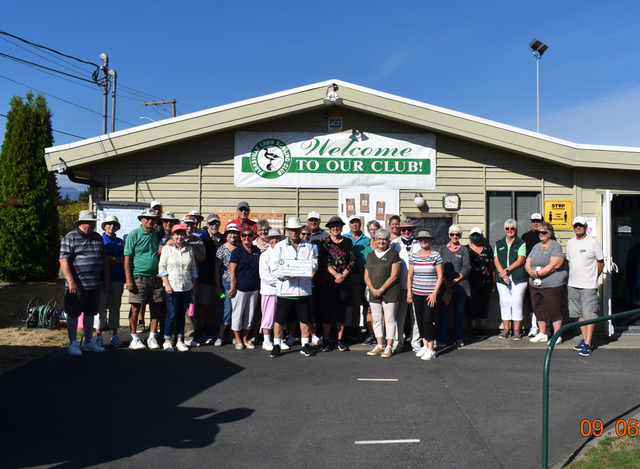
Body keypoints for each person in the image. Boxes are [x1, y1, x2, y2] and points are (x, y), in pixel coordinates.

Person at [59, 210, 109, 356]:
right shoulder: (70, 237)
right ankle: (73, 343)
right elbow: (63, 261)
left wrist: (105, 281)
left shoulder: (98, 238)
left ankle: (88, 342)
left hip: (94, 284)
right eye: (91, 222)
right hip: (76, 285)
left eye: (94, 222)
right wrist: (71, 282)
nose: (93, 225)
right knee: (73, 314)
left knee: (90, 314)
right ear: (81, 223)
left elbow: (103, 260)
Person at [269, 218, 318, 358]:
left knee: (305, 320)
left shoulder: (308, 246)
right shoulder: (279, 246)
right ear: (288, 231)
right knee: (280, 320)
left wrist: (303, 270)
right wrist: (287, 274)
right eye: (291, 230)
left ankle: (305, 345)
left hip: (303, 290)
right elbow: (275, 268)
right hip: (285, 291)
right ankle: (276, 345)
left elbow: (314, 264)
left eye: (296, 230)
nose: (294, 232)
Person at [125, 208, 164, 350]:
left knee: (156, 307)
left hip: (155, 277)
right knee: (135, 308)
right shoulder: (133, 234)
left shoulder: (155, 234)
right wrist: (128, 279)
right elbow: (127, 258)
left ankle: (152, 337)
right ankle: (134, 337)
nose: (150, 221)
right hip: (138, 276)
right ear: (141, 219)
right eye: (147, 218)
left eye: (152, 219)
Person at [566, 216, 604, 357]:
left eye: (580, 225)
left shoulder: (593, 242)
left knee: (589, 315)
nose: (578, 227)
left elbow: (600, 262)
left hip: (588, 286)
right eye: (575, 225)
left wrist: (594, 277)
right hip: (573, 284)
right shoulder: (570, 243)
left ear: (585, 226)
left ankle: (588, 343)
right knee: (579, 315)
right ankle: (584, 339)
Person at [317, 216, 355, 351]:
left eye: (338, 225)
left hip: (344, 283)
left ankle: (340, 339)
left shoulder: (348, 242)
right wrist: (335, 274)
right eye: (333, 226)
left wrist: (343, 275)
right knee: (326, 312)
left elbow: (352, 260)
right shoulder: (325, 242)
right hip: (328, 282)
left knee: (341, 312)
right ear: (329, 228)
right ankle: (326, 340)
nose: (335, 228)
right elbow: (323, 262)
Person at [525, 222, 568, 343]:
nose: (541, 234)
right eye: (539, 232)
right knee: (538, 309)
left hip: (552, 284)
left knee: (553, 309)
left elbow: (554, 264)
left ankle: (556, 335)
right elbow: (528, 262)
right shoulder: (536, 246)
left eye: (544, 232)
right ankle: (542, 333)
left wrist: (539, 274)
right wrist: (531, 272)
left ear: (550, 233)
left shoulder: (555, 246)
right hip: (535, 284)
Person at [158, 223, 198, 352]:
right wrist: (167, 284)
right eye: (177, 234)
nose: (179, 237)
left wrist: (193, 285)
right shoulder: (167, 249)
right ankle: (167, 340)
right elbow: (162, 268)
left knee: (182, 314)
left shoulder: (189, 250)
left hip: (186, 287)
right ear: (173, 236)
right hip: (172, 287)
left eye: (182, 234)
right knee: (172, 314)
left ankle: (180, 340)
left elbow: (193, 269)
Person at [364, 228, 401, 358]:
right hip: (373, 292)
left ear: (388, 241)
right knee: (376, 319)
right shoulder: (370, 256)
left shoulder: (393, 254)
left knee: (390, 320)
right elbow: (366, 276)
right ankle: (380, 345)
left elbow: (394, 276)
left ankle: (389, 347)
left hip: (390, 292)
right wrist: (373, 289)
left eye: (384, 239)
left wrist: (381, 289)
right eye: (379, 239)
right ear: (375, 240)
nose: (381, 241)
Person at [407, 230, 443, 361]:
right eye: (421, 239)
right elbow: (410, 276)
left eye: (426, 239)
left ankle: (431, 348)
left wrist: (434, 292)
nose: (424, 241)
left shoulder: (436, 255)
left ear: (430, 240)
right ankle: (424, 344)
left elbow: (440, 276)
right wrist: (409, 293)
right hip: (417, 293)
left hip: (430, 294)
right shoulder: (414, 256)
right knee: (420, 319)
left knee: (428, 319)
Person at [390, 220, 421, 352]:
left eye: (409, 230)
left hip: (417, 285)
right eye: (404, 230)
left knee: (416, 316)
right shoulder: (394, 244)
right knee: (399, 317)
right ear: (400, 230)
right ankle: (398, 342)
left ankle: (416, 343)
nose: (407, 232)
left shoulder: (419, 244)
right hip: (400, 285)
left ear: (413, 230)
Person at [494, 219, 528, 340]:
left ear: (515, 229)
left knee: (516, 301)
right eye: (507, 228)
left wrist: (507, 271)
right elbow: (496, 259)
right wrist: (503, 274)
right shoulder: (499, 243)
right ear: (504, 230)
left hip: (518, 277)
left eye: (512, 228)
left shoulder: (521, 243)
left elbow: (521, 260)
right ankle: (506, 329)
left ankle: (517, 331)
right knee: (504, 302)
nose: (509, 230)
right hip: (502, 278)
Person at [437, 224, 470, 348]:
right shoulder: (442, 249)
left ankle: (458, 338)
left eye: (457, 234)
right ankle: (441, 338)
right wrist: (446, 282)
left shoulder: (464, 250)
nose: (455, 236)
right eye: (452, 234)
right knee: (444, 313)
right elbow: (438, 265)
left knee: (459, 314)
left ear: (460, 236)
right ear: (449, 235)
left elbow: (467, 267)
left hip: (460, 287)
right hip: (445, 287)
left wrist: (454, 282)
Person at [94, 215, 125, 347]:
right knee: (100, 307)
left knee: (115, 307)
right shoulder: (100, 240)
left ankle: (114, 336)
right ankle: (99, 336)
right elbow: (101, 259)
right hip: (101, 279)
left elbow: (123, 259)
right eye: (109, 224)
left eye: (114, 224)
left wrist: (111, 259)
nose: (111, 226)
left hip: (117, 278)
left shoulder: (120, 241)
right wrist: (114, 259)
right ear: (104, 226)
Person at [228, 227, 261, 350]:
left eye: (249, 235)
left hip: (254, 288)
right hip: (240, 288)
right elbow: (232, 271)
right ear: (241, 237)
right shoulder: (237, 252)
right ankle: (237, 339)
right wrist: (232, 287)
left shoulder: (257, 251)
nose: (246, 238)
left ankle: (245, 338)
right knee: (238, 314)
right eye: (244, 235)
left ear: (253, 237)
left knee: (250, 314)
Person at [194, 213, 224, 344]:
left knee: (213, 305)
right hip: (205, 277)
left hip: (219, 278)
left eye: (216, 223)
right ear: (207, 225)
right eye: (211, 223)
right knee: (202, 305)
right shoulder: (203, 238)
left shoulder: (223, 238)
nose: (214, 226)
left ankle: (211, 328)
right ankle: (201, 329)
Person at [214, 223, 240, 346]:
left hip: (240, 283)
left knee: (237, 310)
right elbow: (216, 270)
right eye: (230, 233)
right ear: (226, 234)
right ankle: (220, 336)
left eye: (235, 233)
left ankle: (232, 335)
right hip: (227, 283)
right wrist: (219, 287)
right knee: (227, 309)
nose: (233, 235)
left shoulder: (241, 247)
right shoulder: (222, 249)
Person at [345, 216, 370, 341]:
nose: (355, 225)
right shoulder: (344, 238)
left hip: (361, 275)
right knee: (348, 303)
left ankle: (360, 327)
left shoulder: (367, 240)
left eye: (357, 222)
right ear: (349, 224)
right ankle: (347, 328)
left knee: (361, 303)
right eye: (352, 222)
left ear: (361, 224)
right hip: (346, 275)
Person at [259, 228, 284, 351]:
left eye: (277, 238)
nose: (275, 240)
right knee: (268, 316)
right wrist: (279, 283)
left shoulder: (283, 253)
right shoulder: (265, 255)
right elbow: (265, 276)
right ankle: (266, 340)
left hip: (283, 291)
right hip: (269, 291)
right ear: (269, 240)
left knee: (280, 316)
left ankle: (278, 340)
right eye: (273, 238)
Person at [467, 227, 494, 340]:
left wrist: (494, 282)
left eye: (477, 235)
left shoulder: (487, 248)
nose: (475, 237)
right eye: (473, 235)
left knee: (484, 305)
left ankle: (482, 328)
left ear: (482, 236)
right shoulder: (466, 249)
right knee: (473, 306)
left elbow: (492, 266)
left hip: (486, 282)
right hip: (471, 283)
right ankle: (474, 329)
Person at [521, 213, 544, 337]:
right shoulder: (526, 236)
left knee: (544, 301)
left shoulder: (548, 236)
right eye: (533, 221)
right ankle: (534, 327)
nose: (536, 223)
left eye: (538, 221)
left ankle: (545, 328)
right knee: (532, 301)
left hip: (545, 274)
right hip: (529, 273)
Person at [360, 220, 381, 345]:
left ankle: (381, 335)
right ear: (368, 231)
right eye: (371, 229)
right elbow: (360, 266)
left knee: (380, 309)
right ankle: (371, 334)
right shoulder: (364, 246)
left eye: (375, 229)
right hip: (367, 282)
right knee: (369, 309)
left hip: (381, 282)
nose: (373, 232)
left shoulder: (383, 245)